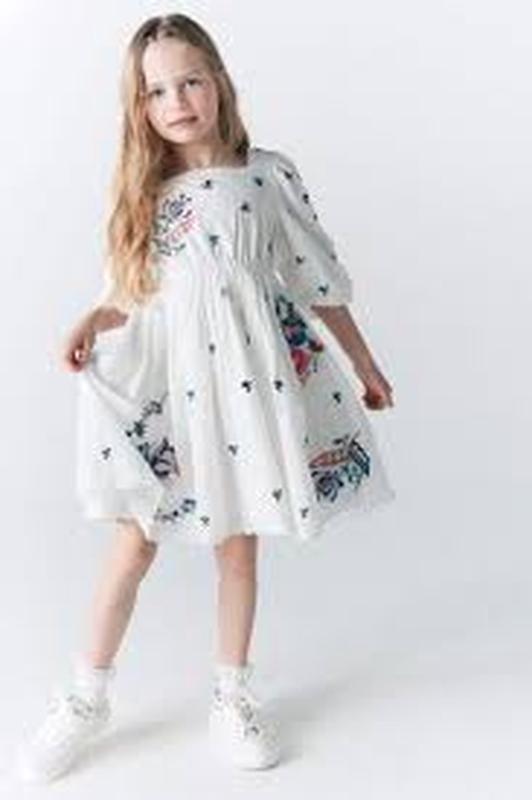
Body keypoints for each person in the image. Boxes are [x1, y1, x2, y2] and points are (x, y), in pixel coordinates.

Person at [15, 12, 396, 783]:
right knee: (134, 544)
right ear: (141, 107)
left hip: (246, 384)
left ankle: (232, 694)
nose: (178, 101)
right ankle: (85, 698)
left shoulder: (267, 176)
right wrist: (92, 318)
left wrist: (364, 362)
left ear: (219, 81)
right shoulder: (148, 192)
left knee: (238, 545)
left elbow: (316, 278)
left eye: (190, 81)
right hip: (175, 388)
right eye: (157, 91)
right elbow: (131, 295)